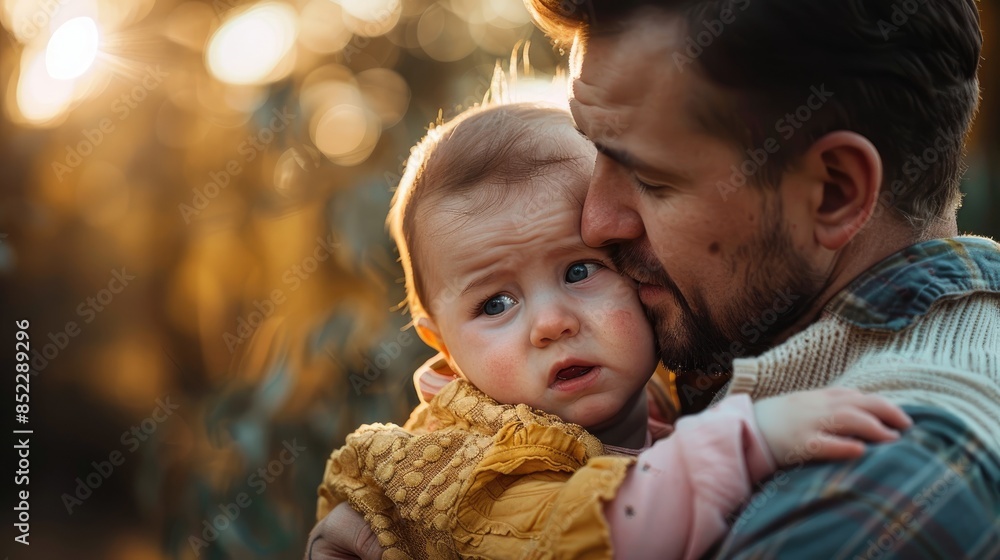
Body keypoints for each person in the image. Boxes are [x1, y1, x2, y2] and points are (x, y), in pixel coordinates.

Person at [308, 103, 911, 559]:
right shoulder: (471, 466)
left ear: (636, 267)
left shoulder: (664, 394)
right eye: (495, 304)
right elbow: (589, 533)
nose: (551, 323)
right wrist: (747, 440)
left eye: (578, 270)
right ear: (441, 344)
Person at [520, 0, 1000, 557]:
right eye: (594, 152)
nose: (595, 222)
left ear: (834, 192)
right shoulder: (728, 362)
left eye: (650, 178)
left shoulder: (877, 502)